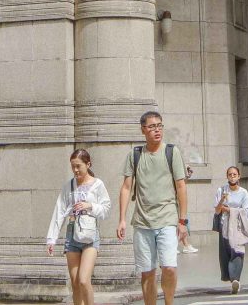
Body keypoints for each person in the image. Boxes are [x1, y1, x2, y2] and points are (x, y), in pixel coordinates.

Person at [117, 111, 188, 305]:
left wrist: (182, 221)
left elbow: (181, 186)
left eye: (159, 126)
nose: (157, 130)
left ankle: (169, 302)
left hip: (167, 219)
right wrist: (122, 219)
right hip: (142, 222)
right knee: (147, 272)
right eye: (152, 126)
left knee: (169, 267)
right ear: (143, 130)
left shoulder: (171, 152)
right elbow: (126, 187)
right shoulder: (135, 155)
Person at [46, 149, 112, 305]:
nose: (75, 170)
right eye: (73, 167)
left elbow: (106, 209)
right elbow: (59, 211)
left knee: (83, 280)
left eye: (78, 166)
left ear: (88, 164)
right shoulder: (68, 185)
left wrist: (90, 206)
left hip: (90, 236)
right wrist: (51, 239)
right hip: (72, 234)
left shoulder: (98, 184)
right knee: (75, 283)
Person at [213, 166, 248, 294]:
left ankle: (236, 280)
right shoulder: (221, 190)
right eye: (230, 174)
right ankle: (232, 280)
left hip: (238, 228)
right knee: (227, 254)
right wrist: (222, 200)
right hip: (224, 226)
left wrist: (230, 210)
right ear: (227, 177)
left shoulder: (244, 193)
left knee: (238, 252)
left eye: (234, 174)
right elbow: (217, 210)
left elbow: (247, 212)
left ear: (239, 176)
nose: (232, 176)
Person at [180, 165, 199, 254]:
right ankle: (185, 245)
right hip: (171, 201)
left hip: (178, 200)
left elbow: (182, 184)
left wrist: (186, 176)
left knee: (183, 222)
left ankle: (186, 244)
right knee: (180, 222)